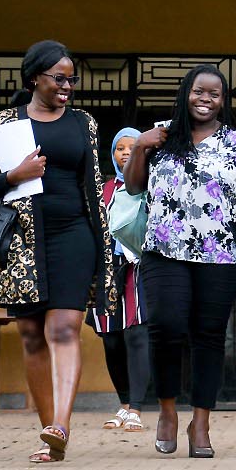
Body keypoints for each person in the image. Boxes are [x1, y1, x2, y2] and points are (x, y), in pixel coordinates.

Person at [124, 64, 236, 458]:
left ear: (222, 101)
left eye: (214, 94)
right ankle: (166, 412)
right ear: (186, 93)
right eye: (199, 91)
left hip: (223, 253)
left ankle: (201, 421)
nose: (206, 99)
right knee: (166, 326)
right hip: (164, 249)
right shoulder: (160, 135)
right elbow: (132, 185)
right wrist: (142, 146)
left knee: (209, 335)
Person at [0, 40, 116, 463]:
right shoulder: (6, 122)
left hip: (74, 235)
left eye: (72, 78)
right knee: (33, 334)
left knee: (64, 329)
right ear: (35, 77)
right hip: (22, 241)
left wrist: (102, 243)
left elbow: (92, 185)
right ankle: (48, 437)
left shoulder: (82, 123)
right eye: (59, 78)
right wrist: (15, 175)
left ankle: (61, 426)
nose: (67, 85)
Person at [89, 127, 151, 433]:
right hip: (105, 270)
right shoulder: (103, 189)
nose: (125, 153)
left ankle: (137, 408)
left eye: (132, 147)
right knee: (111, 338)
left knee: (136, 335)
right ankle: (123, 404)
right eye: (119, 148)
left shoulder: (150, 186)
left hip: (138, 267)